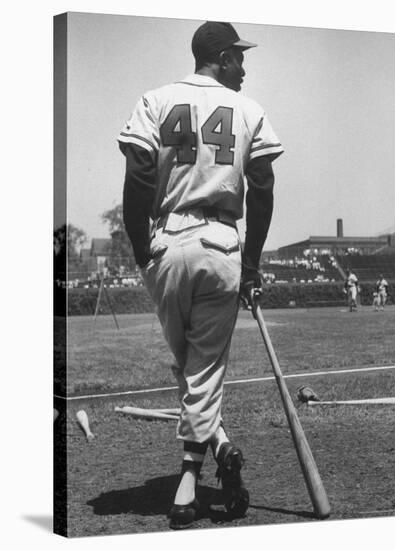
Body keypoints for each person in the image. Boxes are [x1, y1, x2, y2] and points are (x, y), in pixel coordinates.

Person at [118, 20, 284, 529]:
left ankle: (218, 449)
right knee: (201, 369)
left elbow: (140, 176)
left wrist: (143, 248)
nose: (244, 66)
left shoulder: (155, 99)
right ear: (219, 57)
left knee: (190, 367)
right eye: (238, 56)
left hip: (167, 242)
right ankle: (192, 478)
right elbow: (262, 187)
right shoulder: (250, 110)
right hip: (221, 245)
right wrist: (252, 265)